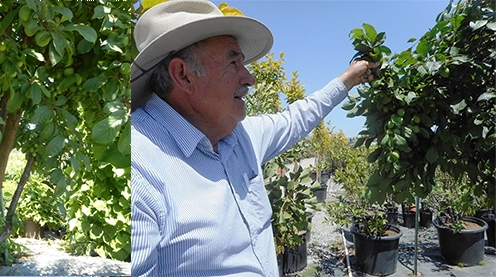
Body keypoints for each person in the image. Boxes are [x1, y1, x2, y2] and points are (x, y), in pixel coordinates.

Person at [130, 0, 378, 276]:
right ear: (183, 75)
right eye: (233, 61)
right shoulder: (140, 166)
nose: (249, 79)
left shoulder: (239, 136)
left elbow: (297, 118)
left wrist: (349, 79)